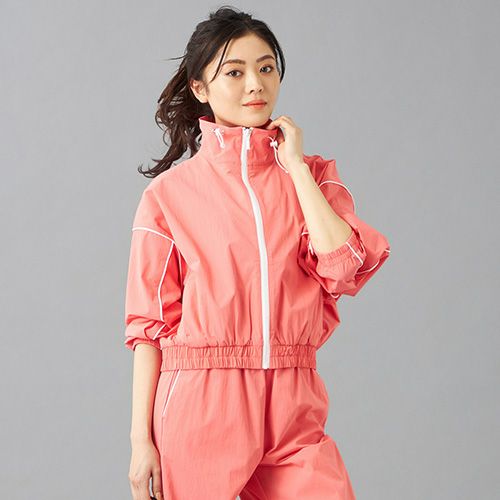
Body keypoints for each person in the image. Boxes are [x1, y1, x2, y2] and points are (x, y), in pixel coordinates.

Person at [124, 6, 390, 500]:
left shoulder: (314, 176)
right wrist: (141, 441)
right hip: (202, 405)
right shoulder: (168, 196)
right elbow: (149, 328)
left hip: (294, 403)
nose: (255, 84)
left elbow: (345, 269)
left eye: (267, 68)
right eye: (234, 72)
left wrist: (296, 167)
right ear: (200, 88)